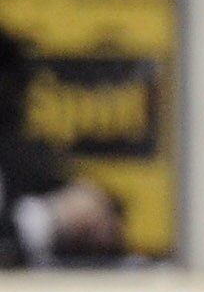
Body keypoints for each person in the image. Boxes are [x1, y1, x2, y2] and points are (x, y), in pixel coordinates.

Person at [0, 28, 126, 267]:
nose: (17, 102)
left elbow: (40, 183)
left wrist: (89, 204)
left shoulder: (15, 152)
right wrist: (51, 218)